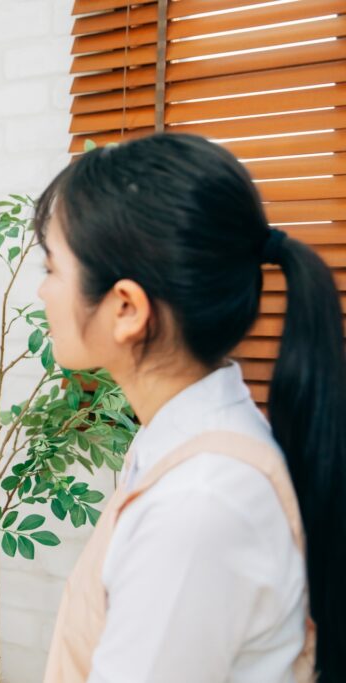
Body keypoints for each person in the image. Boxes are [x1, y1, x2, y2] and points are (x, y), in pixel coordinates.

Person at [36, 133, 344, 681]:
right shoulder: (178, 445)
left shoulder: (199, 502)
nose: (42, 292)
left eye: (53, 268)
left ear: (126, 308)